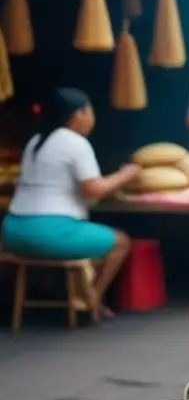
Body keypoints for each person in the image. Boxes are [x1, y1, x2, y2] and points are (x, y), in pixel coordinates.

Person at [1, 89, 140, 318]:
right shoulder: (76, 143)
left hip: (13, 233)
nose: (92, 119)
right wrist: (126, 174)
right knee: (120, 242)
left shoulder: (35, 141)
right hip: (48, 234)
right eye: (90, 112)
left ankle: (74, 296)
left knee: (91, 237)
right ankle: (91, 302)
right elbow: (94, 189)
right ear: (78, 115)